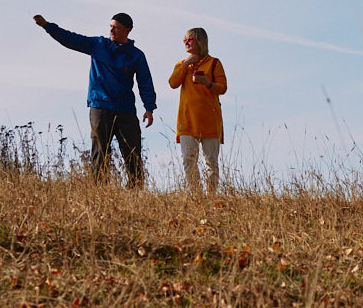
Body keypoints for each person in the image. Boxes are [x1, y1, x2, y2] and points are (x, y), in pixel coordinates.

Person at [33, 12, 156, 187]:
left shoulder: (136, 55)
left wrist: (149, 108)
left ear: (127, 31)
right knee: (100, 152)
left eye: (117, 28)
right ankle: (100, 191)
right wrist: (48, 26)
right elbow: (70, 39)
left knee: (132, 153)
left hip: (125, 109)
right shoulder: (98, 44)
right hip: (100, 106)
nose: (112, 30)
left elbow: (145, 82)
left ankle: (136, 191)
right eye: (111, 26)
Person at [168, 27, 227, 192]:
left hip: (210, 120)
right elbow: (172, 83)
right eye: (185, 40)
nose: (186, 43)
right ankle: (196, 195)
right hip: (187, 121)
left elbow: (222, 87)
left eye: (190, 39)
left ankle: (211, 196)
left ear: (200, 42)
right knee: (189, 160)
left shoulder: (214, 63)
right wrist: (186, 63)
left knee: (211, 162)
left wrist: (207, 83)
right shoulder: (181, 65)